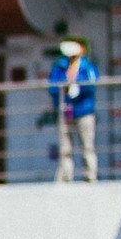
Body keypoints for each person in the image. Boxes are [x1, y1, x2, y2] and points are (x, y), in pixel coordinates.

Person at [48, 38, 99, 183]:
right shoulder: (60, 66)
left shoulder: (87, 67)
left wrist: (77, 85)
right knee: (65, 148)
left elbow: (92, 85)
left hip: (84, 111)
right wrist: (63, 87)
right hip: (66, 111)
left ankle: (90, 176)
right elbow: (52, 87)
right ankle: (65, 177)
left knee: (87, 146)